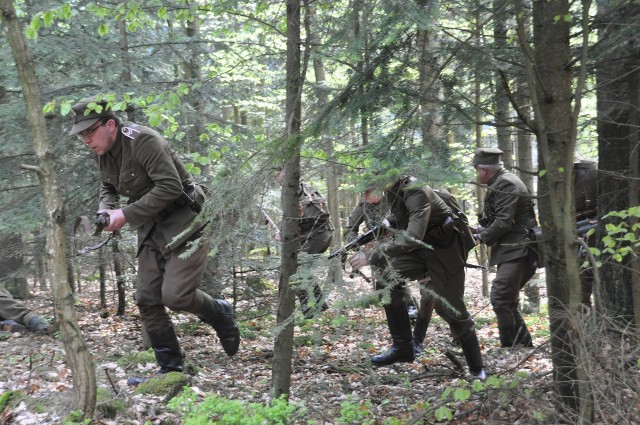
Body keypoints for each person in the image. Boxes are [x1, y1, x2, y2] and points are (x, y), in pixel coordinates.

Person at [70, 96, 240, 384]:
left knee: (176, 296)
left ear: (110, 124)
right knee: (147, 299)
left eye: (89, 131)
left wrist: (124, 214)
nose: (86, 140)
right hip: (151, 226)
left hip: (185, 221)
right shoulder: (103, 149)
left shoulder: (143, 140)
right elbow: (108, 187)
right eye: (81, 134)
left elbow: (171, 186)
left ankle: (220, 312)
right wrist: (105, 209)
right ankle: (170, 371)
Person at [348, 174, 486, 379]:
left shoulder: (415, 189)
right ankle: (403, 348)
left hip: (444, 249)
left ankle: (477, 368)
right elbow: (405, 216)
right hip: (420, 249)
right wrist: (386, 224)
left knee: (449, 306)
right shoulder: (393, 190)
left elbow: (413, 236)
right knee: (387, 278)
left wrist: (372, 254)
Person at [470, 147, 537, 348]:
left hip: (520, 248)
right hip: (511, 247)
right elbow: (499, 219)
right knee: (507, 300)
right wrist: (478, 229)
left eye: (477, 170)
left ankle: (510, 348)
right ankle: (523, 347)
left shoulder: (506, 183)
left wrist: (480, 238)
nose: (477, 174)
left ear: (483, 170)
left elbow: (503, 223)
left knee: (500, 298)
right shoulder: (500, 181)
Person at [276, 169, 334, 318]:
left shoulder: (300, 192)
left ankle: (311, 311)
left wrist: (283, 233)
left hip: (318, 235)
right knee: (299, 268)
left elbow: (300, 219)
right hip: (318, 235)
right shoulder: (298, 190)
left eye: (280, 174)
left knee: (296, 267)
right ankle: (317, 307)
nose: (277, 177)